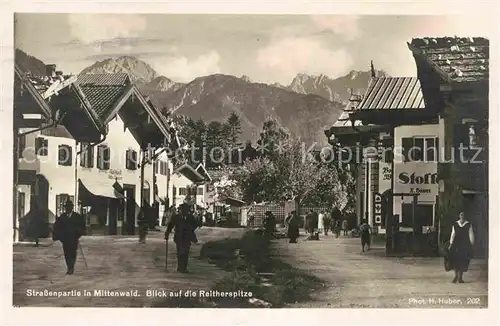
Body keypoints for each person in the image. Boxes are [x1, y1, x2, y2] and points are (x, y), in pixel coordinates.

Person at [52, 200, 86, 275]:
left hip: (73, 239)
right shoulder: (62, 217)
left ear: (72, 208)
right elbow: (57, 227)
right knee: (67, 254)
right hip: (65, 240)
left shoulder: (77, 217)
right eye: (67, 208)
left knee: (73, 254)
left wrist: (78, 234)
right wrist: (59, 237)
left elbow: (82, 227)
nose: (68, 209)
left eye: (69, 207)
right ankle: (69, 267)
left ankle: (71, 267)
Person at [165, 202, 199, 273]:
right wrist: (167, 233)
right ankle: (180, 267)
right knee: (180, 251)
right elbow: (170, 225)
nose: (185, 211)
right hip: (179, 237)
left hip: (187, 237)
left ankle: (184, 267)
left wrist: (190, 229)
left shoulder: (190, 217)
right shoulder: (176, 217)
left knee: (186, 252)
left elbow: (195, 225)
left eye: (186, 210)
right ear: (181, 210)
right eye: (184, 209)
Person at [448, 212, 475, 283]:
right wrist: (451, 243)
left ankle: (460, 277)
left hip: (465, 244)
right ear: (459, 216)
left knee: (463, 260)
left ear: (465, 216)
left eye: (463, 215)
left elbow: (471, 234)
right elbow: (453, 234)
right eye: (461, 215)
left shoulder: (468, 224)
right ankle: (456, 275)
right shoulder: (455, 224)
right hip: (456, 244)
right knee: (455, 260)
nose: (462, 216)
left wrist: (471, 244)